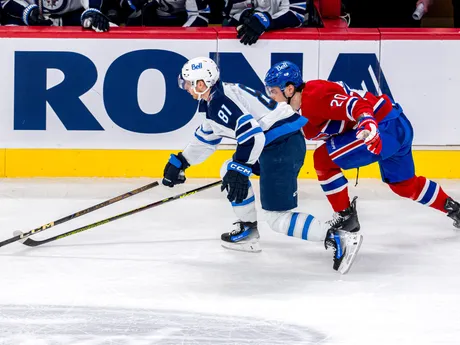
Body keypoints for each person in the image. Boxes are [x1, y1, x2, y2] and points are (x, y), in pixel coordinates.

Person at [162, 57, 363, 274]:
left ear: (201, 84)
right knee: (227, 169)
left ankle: (337, 237)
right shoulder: (219, 98)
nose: (186, 89)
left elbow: (253, 135)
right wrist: (182, 161)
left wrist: (240, 167)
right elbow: (208, 135)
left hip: (280, 146)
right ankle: (248, 230)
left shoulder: (221, 101)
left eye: (188, 84)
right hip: (277, 143)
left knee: (277, 217)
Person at [263, 61, 460, 230]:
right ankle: (454, 209)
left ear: (289, 89)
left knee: (322, 158)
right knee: (404, 185)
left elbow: (356, 105)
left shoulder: (313, 97)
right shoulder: (302, 108)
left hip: (383, 128)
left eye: (273, 91)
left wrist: (367, 123)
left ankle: (345, 217)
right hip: (397, 125)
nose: (271, 96)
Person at [223, 0, 306, 45]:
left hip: (287, 44)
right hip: (243, 38)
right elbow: (232, 12)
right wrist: (248, 16)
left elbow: (297, 14)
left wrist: (267, 20)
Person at [1, 0, 110, 32]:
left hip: (73, 21)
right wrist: (26, 11)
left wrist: (92, 10)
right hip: (23, 22)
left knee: (104, 27)